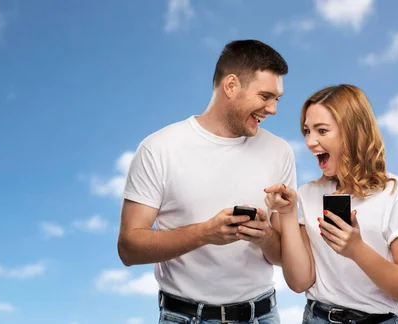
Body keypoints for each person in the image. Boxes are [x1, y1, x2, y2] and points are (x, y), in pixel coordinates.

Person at [117, 39, 297, 324]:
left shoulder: (280, 152)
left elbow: (283, 257)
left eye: (277, 99)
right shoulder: (159, 149)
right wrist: (205, 233)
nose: (273, 109)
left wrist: (265, 237)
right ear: (231, 86)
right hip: (185, 317)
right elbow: (129, 248)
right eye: (265, 96)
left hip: (263, 315)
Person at [265, 84, 398, 324]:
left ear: (352, 132)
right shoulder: (309, 194)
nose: (310, 141)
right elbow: (300, 282)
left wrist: (356, 250)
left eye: (322, 131)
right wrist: (288, 214)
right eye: (307, 131)